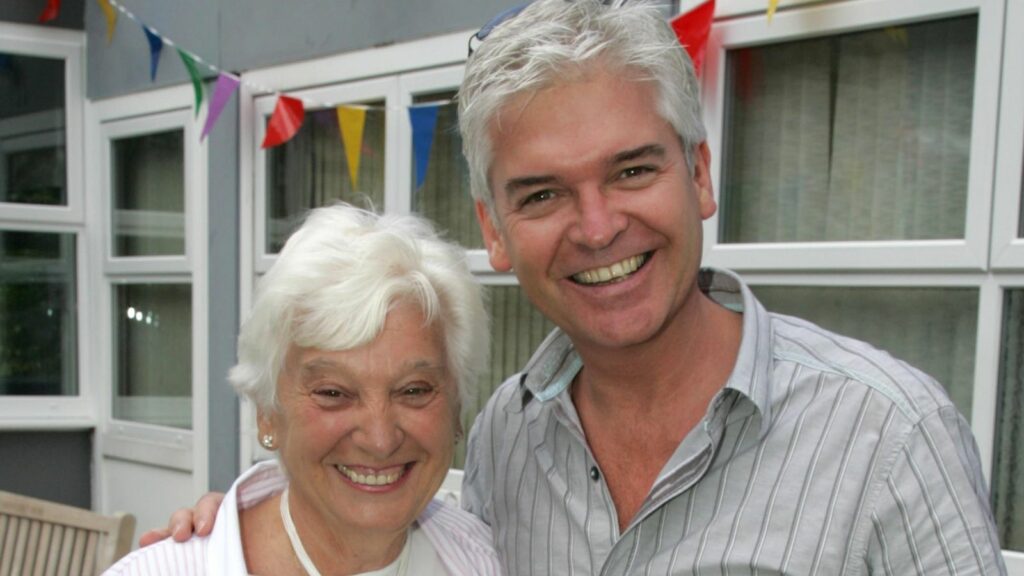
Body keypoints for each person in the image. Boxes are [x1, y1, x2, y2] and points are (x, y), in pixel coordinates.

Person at [146, 1, 1008, 574]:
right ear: (493, 229)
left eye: (631, 170)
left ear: (700, 176)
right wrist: (234, 534)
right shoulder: (501, 443)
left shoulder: (890, 436)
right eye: (543, 193)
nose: (596, 227)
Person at [110, 204, 499, 575]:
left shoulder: (488, 561)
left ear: (457, 408)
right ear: (266, 412)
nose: (380, 440)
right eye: (333, 393)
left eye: (414, 391)